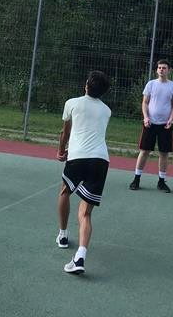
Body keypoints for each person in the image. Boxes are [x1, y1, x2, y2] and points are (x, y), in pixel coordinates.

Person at [56, 71, 112, 275]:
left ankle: (63, 235)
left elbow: (66, 132)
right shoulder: (107, 110)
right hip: (101, 160)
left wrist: (61, 151)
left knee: (65, 191)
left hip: (77, 157)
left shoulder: (71, 103)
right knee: (85, 213)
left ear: (86, 85)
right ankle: (80, 256)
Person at [129, 59, 173, 193]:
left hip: (165, 125)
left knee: (164, 153)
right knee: (144, 151)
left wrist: (171, 119)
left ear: (169, 70)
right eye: (159, 68)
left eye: (164, 68)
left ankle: (161, 182)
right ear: (157, 70)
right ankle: (136, 179)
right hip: (150, 124)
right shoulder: (151, 84)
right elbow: (145, 102)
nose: (161, 70)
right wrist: (146, 117)